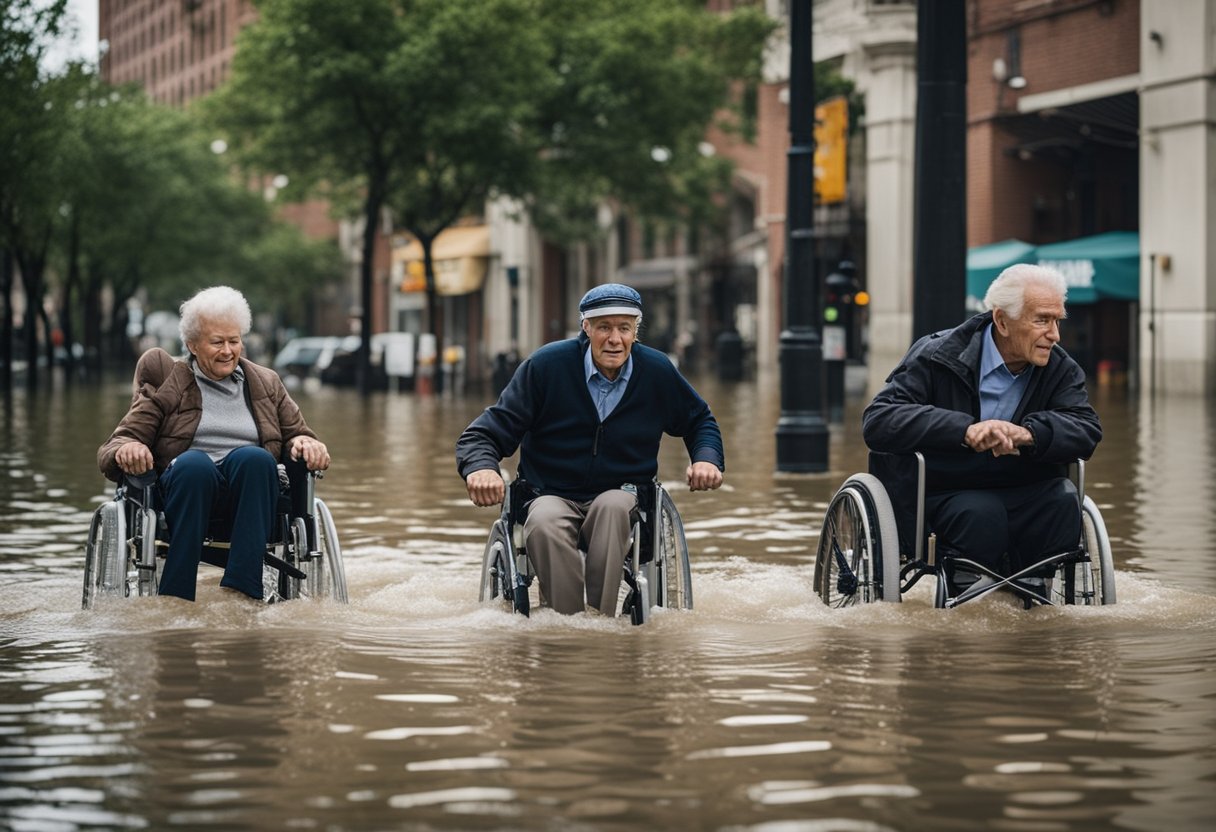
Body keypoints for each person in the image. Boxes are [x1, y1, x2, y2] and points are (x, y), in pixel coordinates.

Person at [456, 283, 725, 616]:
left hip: (620, 491)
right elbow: (482, 434)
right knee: (543, 520)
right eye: (604, 328)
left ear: (635, 331)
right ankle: (568, 622)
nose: (614, 339)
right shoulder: (546, 366)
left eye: (624, 328)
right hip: (550, 491)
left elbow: (700, 421)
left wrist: (706, 460)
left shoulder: (656, 371)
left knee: (612, 508)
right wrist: (482, 468)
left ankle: (600, 619)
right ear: (586, 328)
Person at [861, 263, 1102, 589]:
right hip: (946, 488)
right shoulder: (936, 356)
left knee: (1062, 500)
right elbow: (880, 420)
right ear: (1002, 321)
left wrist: (1030, 433)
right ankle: (969, 593)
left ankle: (1033, 591)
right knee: (980, 511)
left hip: (1023, 483)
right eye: (1042, 320)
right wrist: (964, 430)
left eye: (1058, 321)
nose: (1055, 335)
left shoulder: (1061, 368)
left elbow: (1086, 427)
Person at [97, 286, 330, 602]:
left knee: (256, 459)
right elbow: (117, 443)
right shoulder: (170, 382)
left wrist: (307, 443)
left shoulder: (266, 382)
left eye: (234, 341)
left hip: (250, 492)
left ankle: (243, 592)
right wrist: (129, 449)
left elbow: (299, 435)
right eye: (217, 342)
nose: (228, 350)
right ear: (192, 345)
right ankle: (176, 597)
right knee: (195, 465)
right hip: (186, 489)